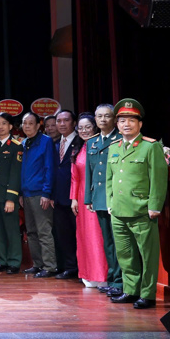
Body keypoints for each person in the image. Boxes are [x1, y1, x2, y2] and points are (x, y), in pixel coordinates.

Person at [106, 98, 167, 309]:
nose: (126, 124)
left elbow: (158, 179)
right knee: (125, 255)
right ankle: (130, 290)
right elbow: (109, 179)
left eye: (131, 120)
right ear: (117, 124)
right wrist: (110, 203)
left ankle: (147, 294)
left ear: (140, 124)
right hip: (119, 210)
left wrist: (154, 206)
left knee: (147, 255)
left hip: (142, 210)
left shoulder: (150, 147)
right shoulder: (114, 147)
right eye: (122, 120)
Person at [85, 103, 123, 297]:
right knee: (107, 242)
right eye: (99, 116)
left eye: (107, 116)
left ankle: (120, 281)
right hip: (99, 198)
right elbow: (89, 173)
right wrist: (88, 199)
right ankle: (112, 279)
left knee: (119, 242)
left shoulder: (120, 139)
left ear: (114, 119)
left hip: (115, 198)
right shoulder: (91, 142)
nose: (102, 120)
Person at [70, 113, 107, 288]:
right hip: (80, 199)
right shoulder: (79, 147)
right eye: (81, 128)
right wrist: (73, 199)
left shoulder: (99, 145)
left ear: (95, 127)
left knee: (96, 237)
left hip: (94, 197)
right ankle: (87, 274)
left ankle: (101, 276)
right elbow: (74, 177)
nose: (84, 130)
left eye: (88, 127)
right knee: (83, 237)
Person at [19, 112, 59, 278]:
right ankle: (37, 264)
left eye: (30, 123)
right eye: (24, 123)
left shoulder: (46, 141)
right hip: (26, 194)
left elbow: (50, 168)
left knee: (44, 231)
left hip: (40, 194)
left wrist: (46, 193)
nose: (27, 126)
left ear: (37, 125)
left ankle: (50, 266)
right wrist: (21, 193)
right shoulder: (23, 143)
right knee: (32, 232)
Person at [0, 112, 23, 274]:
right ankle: (1, 260)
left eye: (3, 123)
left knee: (11, 230)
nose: (0, 127)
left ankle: (14, 262)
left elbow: (15, 174)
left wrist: (11, 198)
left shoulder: (16, 146)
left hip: (7, 196)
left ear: (10, 126)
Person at [52, 109, 79, 280]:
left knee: (78, 235)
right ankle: (67, 266)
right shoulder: (55, 143)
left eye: (66, 120)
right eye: (59, 121)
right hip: (58, 197)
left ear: (74, 123)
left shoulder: (81, 142)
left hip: (76, 197)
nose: (62, 124)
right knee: (62, 234)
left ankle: (79, 268)